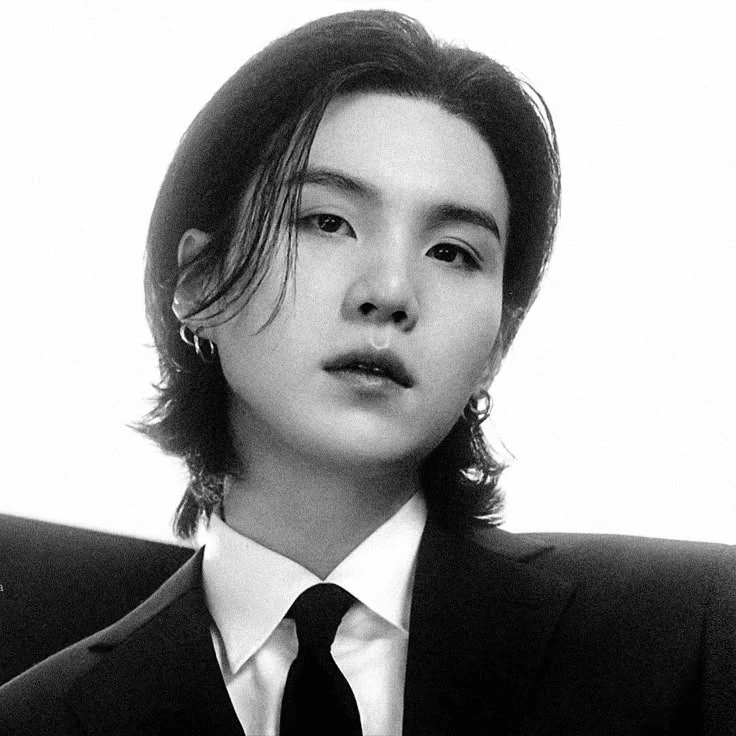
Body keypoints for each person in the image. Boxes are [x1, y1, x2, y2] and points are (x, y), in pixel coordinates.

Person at [1, 9, 734, 735]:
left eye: (452, 252)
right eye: (327, 222)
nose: (388, 292)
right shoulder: (40, 719)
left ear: (499, 343)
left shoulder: (693, 634)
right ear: (198, 280)